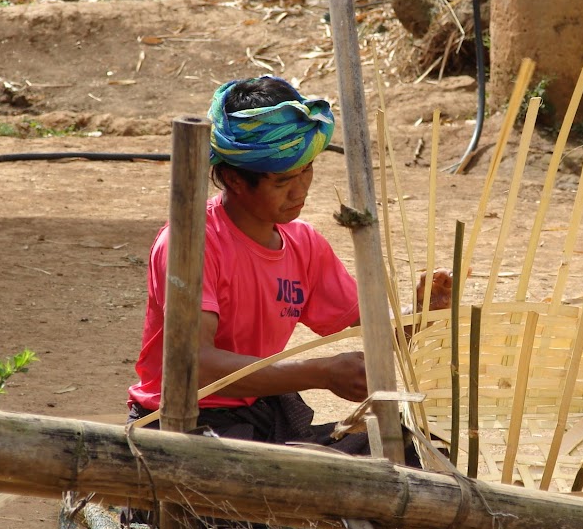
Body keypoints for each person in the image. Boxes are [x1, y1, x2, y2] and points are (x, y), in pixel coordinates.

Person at [127, 75, 442, 461]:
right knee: (251, 505)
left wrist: (426, 313)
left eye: (306, 171)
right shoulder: (190, 244)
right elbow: (197, 363)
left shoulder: (303, 244)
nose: (301, 190)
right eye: (283, 181)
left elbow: (377, 329)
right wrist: (320, 373)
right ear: (234, 180)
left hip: (263, 419)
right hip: (182, 424)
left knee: (417, 453)